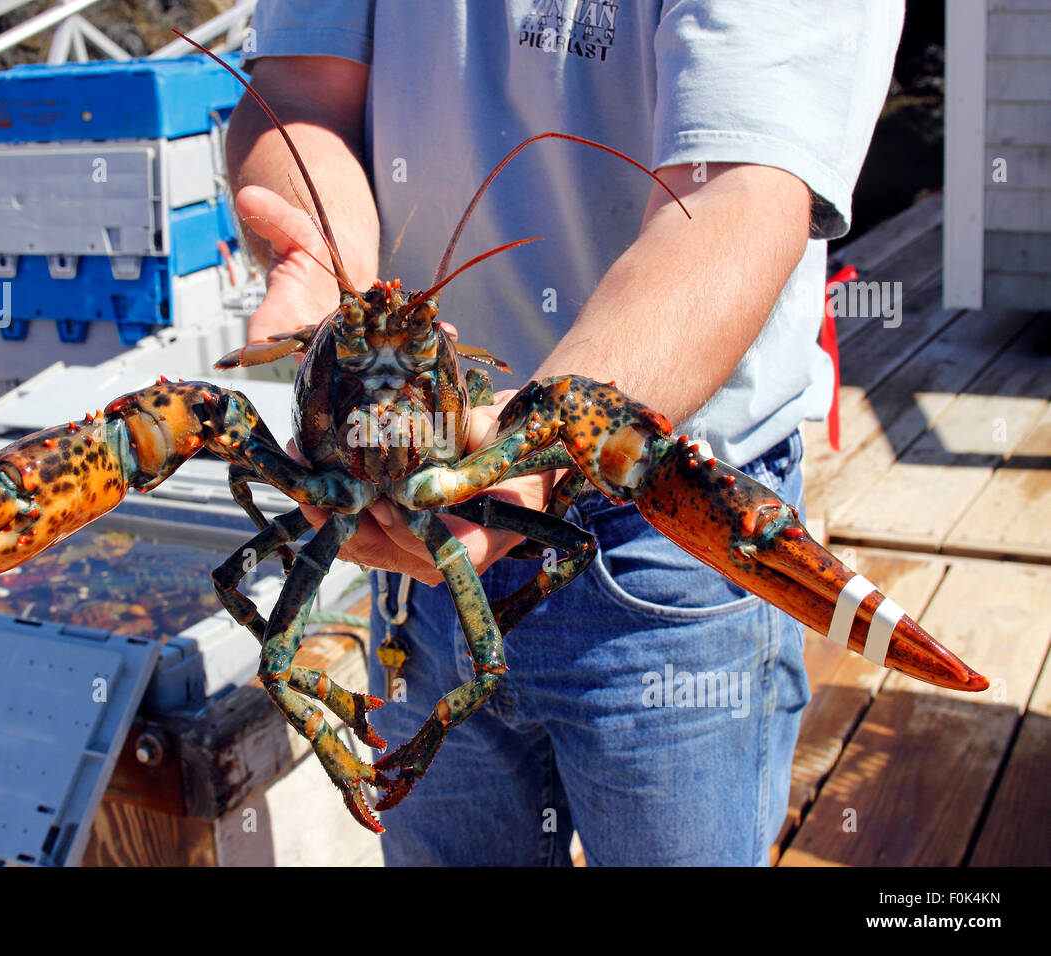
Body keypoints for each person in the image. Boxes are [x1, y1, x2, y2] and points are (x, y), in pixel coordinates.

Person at [225, 0, 903, 865]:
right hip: (406, 555)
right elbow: (297, 91)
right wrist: (315, 253)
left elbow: (743, 185)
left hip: (675, 515)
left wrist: (542, 438)